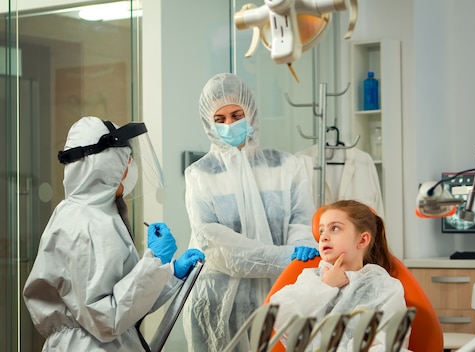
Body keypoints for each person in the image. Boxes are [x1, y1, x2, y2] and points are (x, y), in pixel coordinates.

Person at [22, 116, 205, 351]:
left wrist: (170, 273)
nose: (130, 169)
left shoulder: (96, 216)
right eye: (127, 161)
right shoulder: (84, 224)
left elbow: (127, 302)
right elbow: (106, 318)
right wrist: (154, 262)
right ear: (105, 166)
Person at [182, 72, 319, 351]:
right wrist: (285, 258)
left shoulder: (285, 166)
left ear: (251, 113)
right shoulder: (200, 175)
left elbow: (303, 221)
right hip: (220, 301)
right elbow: (219, 246)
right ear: (209, 124)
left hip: (282, 294)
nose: (230, 124)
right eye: (220, 120)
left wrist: (302, 249)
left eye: (236, 114)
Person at [269, 200, 409, 352]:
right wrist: (324, 286)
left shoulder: (384, 287)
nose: (323, 237)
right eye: (321, 230)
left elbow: (388, 343)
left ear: (362, 240)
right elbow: (277, 315)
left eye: (334, 228)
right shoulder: (313, 278)